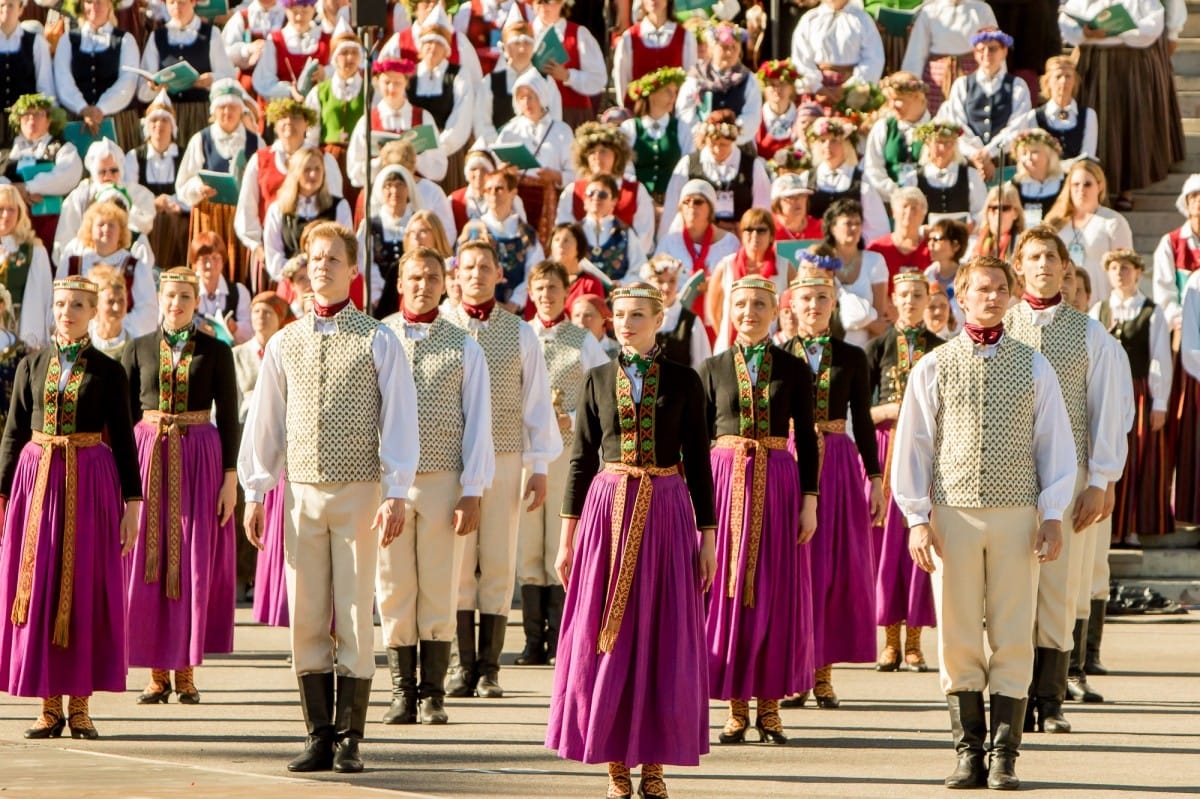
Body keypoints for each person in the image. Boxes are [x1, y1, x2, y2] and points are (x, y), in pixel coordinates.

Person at [239, 221, 420, 774]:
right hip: (301, 495)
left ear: (353, 271)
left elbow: (399, 420)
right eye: (314, 258)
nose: (322, 266)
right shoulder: (286, 342)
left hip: (361, 492)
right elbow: (265, 422)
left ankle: (350, 739)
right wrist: (256, 490)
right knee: (308, 617)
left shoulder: (378, 337)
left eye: (333, 259)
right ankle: (318, 734)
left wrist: (396, 491)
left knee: (354, 613)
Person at [891, 254, 1076, 790]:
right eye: (980, 288)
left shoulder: (1033, 363)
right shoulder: (935, 364)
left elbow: (1054, 446)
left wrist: (1054, 514)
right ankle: (968, 750)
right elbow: (915, 446)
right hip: (953, 514)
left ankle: (1005, 754)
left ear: (1010, 295)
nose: (991, 297)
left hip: (1018, 513)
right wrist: (916, 519)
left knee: (1015, 630)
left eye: (1000, 288)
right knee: (957, 632)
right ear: (960, 296)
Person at [546, 283, 716, 799]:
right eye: (619, 315)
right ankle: (615, 760)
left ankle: (656, 764)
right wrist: (566, 537)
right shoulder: (596, 379)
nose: (626, 323)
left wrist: (707, 538)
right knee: (607, 634)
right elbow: (580, 460)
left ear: (658, 319)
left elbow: (700, 466)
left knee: (660, 633)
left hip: (665, 510)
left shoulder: (685, 381)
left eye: (637, 315)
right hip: (607, 511)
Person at [0, 276, 141, 740]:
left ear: (93, 311)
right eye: (61, 303)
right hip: (37, 485)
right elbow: (14, 434)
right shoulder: (31, 365)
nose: (67, 311)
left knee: (83, 588)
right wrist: (2, 494)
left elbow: (123, 441)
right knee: (39, 588)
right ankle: (48, 706)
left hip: (90, 484)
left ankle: (80, 706)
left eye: (78, 305)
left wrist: (133, 505)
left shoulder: (108, 370)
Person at [1005, 227, 1127, 735]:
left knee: (1059, 585)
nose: (1043, 266)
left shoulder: (1089, 332)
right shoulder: (1001, 326)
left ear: (1064, 267)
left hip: (1071, 470)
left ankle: (1050, 699)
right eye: (1033, 257)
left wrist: (1101, 479)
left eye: (1051, 257)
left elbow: (1107, 410)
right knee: (1011, 589)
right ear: (1020, 266)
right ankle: (1011, 697)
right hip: (1007, 475)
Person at [377, 246, 494, 724]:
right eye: (413, 277)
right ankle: (402, 691)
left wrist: (473, 488)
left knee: (441, 585)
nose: (422, 285)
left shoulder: (464, 343)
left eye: (430, 277)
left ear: (445, 283)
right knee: (393, 585)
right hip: (389, 486)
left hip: (444, 477)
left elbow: (478, 421)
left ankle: (433, 693)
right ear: (400, 282)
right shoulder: (379, 336)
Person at [701, 275, 819, 745]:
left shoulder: (793, 368)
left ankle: (770, 707)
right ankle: (734, 707)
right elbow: (696, 440)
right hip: (725, 483)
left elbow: (807, 439)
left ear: (775, 312)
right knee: (728, 591)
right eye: (741, 304)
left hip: (779, 485)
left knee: (774, 590)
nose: (749, 312)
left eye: (758, 305)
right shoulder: (710, 368)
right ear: (729, 310)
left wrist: (809, 501)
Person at [443, 239, 560, 699]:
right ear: (457, 275)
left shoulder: (520, 332)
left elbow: (536, 403)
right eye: (468, 267)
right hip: (451, 461)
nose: (476, 274)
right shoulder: (444, 327)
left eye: (484, 267)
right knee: (456, 562)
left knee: (496, 560)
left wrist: (540, 465)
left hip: (506, 455)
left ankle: (489, 668)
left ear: (498, 274)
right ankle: (458, 662)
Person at [122, 268, 240, 708]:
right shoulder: (138, 349)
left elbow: (228, 416)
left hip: (199, 461)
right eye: (170, 296)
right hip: (149, 457)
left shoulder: (215, 351)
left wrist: (230, 478)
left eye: (185, 296)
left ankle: (186, 672)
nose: (177, 303)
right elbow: (125, 414)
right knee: (150, 561)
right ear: (160, 298)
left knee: (191, 561)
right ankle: (156, 674)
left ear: (197, 301)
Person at [780, 259, 884, 709]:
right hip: (789, 460)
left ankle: (822, 674)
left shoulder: (852, 357)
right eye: (807, 297)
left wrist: (875, 478)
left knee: (828, 571)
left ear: (834, 302)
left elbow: (863, 420)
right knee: (794, 568)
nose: (815, 305)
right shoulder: (779, 354)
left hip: (839, 461)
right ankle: (796, 670)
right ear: (793, 304)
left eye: (823, 297)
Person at [515, 259, 608, 667]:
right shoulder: (521, 336)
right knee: (527, 547)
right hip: (525, 452)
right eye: (540, 288)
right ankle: (533, 641)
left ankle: (561, 638)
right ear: (531, 293)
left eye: (554, 288)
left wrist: (573, 414)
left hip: (567, 454)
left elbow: (604, 391)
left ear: (565, 292)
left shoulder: (581, 339)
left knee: (559, 543)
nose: (547, 296)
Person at [865, 273, 942, 673]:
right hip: (885, 451)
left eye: (918, 294)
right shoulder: (877, 349)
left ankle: (915, 641)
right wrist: (888, 412)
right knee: (885, 549)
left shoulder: (941, 350)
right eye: (904, 295)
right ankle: (890, 641)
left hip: (925, 452)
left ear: (928, 299)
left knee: (919, 544)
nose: (910, 301)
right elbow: (858, 412)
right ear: (892, 300)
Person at [1060, 0, 1183, 210]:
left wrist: (1116, 32)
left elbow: (1154, 24)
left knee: (1129, 123)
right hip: (1093, 63)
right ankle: (1094, 186)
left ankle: (1126, 187)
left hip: (1131, 64)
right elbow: (1066, 19)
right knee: (1096, 125)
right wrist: (1085, 33)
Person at [1093, 250, 1173, 546]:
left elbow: (1160, 358)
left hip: (1138, 392)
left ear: (1138, 273)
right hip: (1106, 392)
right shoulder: (1099, 310)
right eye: (1113, 267)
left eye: (1125, 268)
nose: (1119, 273)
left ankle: (1132, 527)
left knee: (1136, 457)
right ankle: (1109, 527)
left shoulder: (1152, 311)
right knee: (1106, 453)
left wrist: (1159, 402)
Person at [234, 292, 292, 628]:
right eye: (255, 311)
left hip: (279, 441)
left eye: (268, 312)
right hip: (246, 434)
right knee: (251, 509)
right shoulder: (239, 355)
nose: (260, 317)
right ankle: (245, 578)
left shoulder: (285, 346)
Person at [177, 79, 263, 288]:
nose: (227, 113)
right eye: (222, 107)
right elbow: (182, 185)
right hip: (210, 215)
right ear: (214, 111)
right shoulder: (201, 139)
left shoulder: (256, 141)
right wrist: (199, 188)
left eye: (232, 107)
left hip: (242, 214)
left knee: (238, 269)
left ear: (241, 110)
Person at [1152, 175, 1200, 524]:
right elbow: (1164, 292)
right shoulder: (1171, 243)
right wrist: (1182, 322)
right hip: (1185, 340)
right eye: (1196, 197)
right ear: (1186, 202)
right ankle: (1184, 506)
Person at [135, 0, 237, 145]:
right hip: (169, 115)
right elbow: (143, 89)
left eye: (181, 2)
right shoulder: (157, 37)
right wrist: (153, 87)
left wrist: (211, 79)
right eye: (171, 2)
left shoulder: (210, 34)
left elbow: (229, 76)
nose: (176, 6)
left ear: (193, 2)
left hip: (201, 112)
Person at [936, 30, 1032, 183]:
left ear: (1004, 52)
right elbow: (957, 124)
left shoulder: (1017, 86)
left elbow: (1018, 126)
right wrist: (977, 155)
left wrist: (990, 153)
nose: (987, 53)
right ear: (975, 53)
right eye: (981, 49)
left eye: (993, 49)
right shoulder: (962, 85)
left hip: (1004, 162)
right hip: (969, 162)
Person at [58, 199, 158, 338]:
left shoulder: (135, 266)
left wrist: (112, 326)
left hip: (122, 344)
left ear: (121, 231)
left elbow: (148, 311)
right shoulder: (72, 263)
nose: (106, 229)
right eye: (100, 225)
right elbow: (57, 303)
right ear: (90, 229)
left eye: (112, 225)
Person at [345, 58, 448, 191]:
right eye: (386, 82)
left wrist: (411, 158)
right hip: (379, 193)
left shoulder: (423, 117)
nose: (391, 88)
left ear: (406, 83)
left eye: (397, 83)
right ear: (377, 83)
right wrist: (381, 160)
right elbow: (354, 173)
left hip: (414, 192)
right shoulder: (367, 121)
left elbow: (439, 169)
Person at [662, 111, 771, 234]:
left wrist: (744, 228)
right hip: (699, 238)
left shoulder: (752, 166)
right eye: (712, 143)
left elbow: (762, 208)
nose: (717, 149)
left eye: (724, 145)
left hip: (740, 238)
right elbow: (672, 208)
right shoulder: (688, 163)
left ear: (733, 141)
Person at [52, 0, 142, 150]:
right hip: (78, 118)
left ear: (109, 5)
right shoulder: (68, 40)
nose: (94, 6)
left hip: (117, 119)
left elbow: (128, 81)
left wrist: (101, 108)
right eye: (89, 2)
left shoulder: (125, 40)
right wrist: (83, 108)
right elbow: (63, 79)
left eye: (99, 1)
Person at [556, 122, 655, 256]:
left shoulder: (635, 191)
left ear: (617, 156)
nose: (597, 157)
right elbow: (564, 232)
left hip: (624, 267)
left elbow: (644, 236)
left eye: (603, 151)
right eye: (592, 153)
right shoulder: (572, 191)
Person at [1043, 159, 1133, 304]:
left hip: (1100, 303)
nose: (1081, 189)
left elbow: (1126, 269)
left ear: (1100, 186)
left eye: (1087, 184)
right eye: (1076, 185)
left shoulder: (1113, 221)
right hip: (1062, 303)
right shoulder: (1056, 223)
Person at [3, 94, 85, 253]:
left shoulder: (62, 148)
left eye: (38, 114)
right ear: (18, 120)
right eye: (26, 114)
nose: (31, 118)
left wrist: (29, 187)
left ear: (49, 120)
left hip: (49, 224)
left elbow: (68, 175)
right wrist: (13, 190)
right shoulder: (5, 151)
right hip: (10, 226)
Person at [654, 181, 740, 329]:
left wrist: (716, 283)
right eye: (686, 202)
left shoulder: (730, 243)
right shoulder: (669, 241)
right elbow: (654, 279)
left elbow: (738, 279)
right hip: (677, 322)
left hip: (718, 319)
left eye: (698, 201)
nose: (691, 206)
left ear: (711, 208)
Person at [262, 145, 353, 284]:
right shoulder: (278, 209)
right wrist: (294, 275)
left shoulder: (340, 206)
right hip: (291, 285)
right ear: (295, 173)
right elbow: (273, 254)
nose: (313, 175)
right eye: (307, 170)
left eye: (318, 169)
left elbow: (346, 249)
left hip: (328, 283)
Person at [707, 208, 794, 353]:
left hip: (772, 349)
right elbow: (714, 311)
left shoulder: (785, 268)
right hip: (729, 348)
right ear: (741, 234)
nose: (754, 235)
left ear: (772, 235)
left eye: (761, 230)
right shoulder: (725, 265)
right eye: (749, 230)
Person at [405, 14, 474, 193]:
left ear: (447, 49)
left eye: (438, 43)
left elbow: (461, 117)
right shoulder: (409, 76)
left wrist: (437, 150)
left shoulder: (458, 74)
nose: (432, 48)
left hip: (447, 152)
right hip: (414, 152)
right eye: (428, 43)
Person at [472, 12, 563, 143]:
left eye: (527, 42)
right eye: (516, 43)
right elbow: (481, 122)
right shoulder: (490, 82)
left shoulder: (546, 81)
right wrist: (501, 148)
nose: (522, 48)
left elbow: (554, 118)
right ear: (504, 47)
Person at [806, 116, 889, 245]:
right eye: (822, 141)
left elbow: (878, 229)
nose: (827, 146)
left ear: (846, 145)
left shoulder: (861, 182)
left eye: (834, 141)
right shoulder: (807, 179)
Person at [900, 0, 995, 112]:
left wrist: (997, 79)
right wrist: (909, 86)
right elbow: (917, 51)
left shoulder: (982, 9)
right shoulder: (930, 11)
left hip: (972, 74)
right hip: (937, 77)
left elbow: (995, 47)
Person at [821, 198, 891, 348]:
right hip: (827, 347)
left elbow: (880, 321)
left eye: (857, 223)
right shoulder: (821, 262)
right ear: (832, 227)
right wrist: (864, 320)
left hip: (866, 349)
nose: (854, 228)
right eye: (848, 223)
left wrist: (857, 320)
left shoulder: (875, 261)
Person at [789, 0, 884, 109]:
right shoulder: (810, 19)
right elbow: (800, 58)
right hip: (817, 90)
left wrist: (850, 86)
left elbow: (873, 58)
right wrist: (817, 87)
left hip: (853, 91)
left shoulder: (862, 19)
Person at [677, 22, 761, 145]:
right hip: (703, 144)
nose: (729, 53)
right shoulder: (697, 76)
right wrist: (703, 132)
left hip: (737, 146)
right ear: (712, 48)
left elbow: (752, 115)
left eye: (734, 48)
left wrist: (728, 133)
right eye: (724, 47)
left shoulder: (747, 79)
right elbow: (684, 112)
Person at [620, 66, 692, 204]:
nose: (673, 97)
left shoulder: (681, 127)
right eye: (667, 91)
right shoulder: (629, 128)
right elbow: (625, 169)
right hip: (637, 201)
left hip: (672, 200)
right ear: (651, 94)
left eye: (675, 92)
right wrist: (643, 200)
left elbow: (688, 164)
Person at [528, 0, 606, 128]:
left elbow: (598, 79)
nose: (543, 6)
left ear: (561, 3)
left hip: (571, 113)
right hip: (531, 115)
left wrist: (568, 76)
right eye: (538, 1)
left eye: (548, 1)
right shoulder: (524, 33)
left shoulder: (579, 34)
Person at [477, 169, 543, 309]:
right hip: (481, 307)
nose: (493, 193)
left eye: (499, 188)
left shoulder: (526, 233)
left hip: (516, 311)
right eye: (488, 189)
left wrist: (514, 303)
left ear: (513, 192)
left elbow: (535, 271)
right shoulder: (474, 229)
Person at [862, 73, 932, 204]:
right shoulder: (884, 127)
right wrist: (896, 193)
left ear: (918, 97)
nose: (892, 106)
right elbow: (873, 168)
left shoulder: (934, 128)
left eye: (898, 100)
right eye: (890, 100)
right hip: (888, 205)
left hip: (925, 204)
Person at [611, 0, 697, 106]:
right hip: (639, 112)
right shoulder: (630, 37)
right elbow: (622, 77)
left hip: (674, 113)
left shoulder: (685, 37)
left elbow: (690, 78)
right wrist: (625, 107)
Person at [0, 183, 53, 349]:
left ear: (20, 213)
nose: (6, 215)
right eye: (0, 208)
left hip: (20, 337)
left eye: (12, 209)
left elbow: (44, 299)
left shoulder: (34, 251)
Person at [251, 0, 331, 102]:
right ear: (285, 10)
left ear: (314, 9)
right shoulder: (275, 40)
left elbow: (340, 72)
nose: (299, 17)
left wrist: (325, 73)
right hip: (284, 109)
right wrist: (288, 91)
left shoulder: (326, 39)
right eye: (294, 12)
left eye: (304, 11)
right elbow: (263, 81)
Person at [575, 173, 648, 284]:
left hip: (616, 298)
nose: (595, 198)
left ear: (614, 201)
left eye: (602, 194)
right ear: (584, 199)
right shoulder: (573, 232)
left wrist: (622, 284)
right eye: (590, 193)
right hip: (581, 296)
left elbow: (640, 269)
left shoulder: (625, 233)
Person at [0, 0, 55, 149]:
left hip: (26, 125)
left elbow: (46, 87)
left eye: (10, 5)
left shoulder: (36, 43)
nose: (5, 10)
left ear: (21, 10)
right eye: (1, 5)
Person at [1024, 56, 1097, 162]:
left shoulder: (1089, 115)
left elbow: (1088, 156)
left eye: (1068, 76)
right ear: (1048, 81)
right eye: (1058, 77)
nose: (1063, 81)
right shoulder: (1034, 117)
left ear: (1075, 81)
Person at [912, 121, 987, 224]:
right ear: (928, 144)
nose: (943, 148)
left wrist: (972, 224)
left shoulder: (971, 175)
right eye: (938, 142)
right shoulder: (914, 178)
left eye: (948, 143)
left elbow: (981, 211)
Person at [644, 255, 711, 369]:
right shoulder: (640, 318)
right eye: (660, 281)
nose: (666, 287)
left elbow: (702, 366)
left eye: (672, 281)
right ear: (648, 283)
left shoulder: (691, 322)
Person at [191, 231, 252, 345]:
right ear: (194, 262)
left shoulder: (239, 291)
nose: (210, 265)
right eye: (204, 259)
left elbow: (250, 331)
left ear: (223, 260)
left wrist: (235, 328)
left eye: (215, 258)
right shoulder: (188, 291)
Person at [867, 187, 931, 281]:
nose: (909, 212)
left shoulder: (932, 247)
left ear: (923, 214)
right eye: (904, 206)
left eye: (914, 208)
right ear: (893, 212)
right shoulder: (877, 248)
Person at [1010, 128, 1065, 229]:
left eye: (1034, 152)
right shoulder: (1015, 185)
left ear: (1049, 155)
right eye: (1024, 153)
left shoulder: (1064, 182)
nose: (1029, 158)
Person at [752, 59, 803, 160]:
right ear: (764, 89)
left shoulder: (801, 117)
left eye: (783, 84)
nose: (777, 89)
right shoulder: (755, 117)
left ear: (792, 88)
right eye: (772, 85)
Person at [86, 263, 133, 359]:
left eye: (121, 301)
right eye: (110, 302)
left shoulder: (134, 343)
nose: (117, 307)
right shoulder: (83, 340)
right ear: (96, 303)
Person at [971, 183, 1025, 261]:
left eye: (1005, 208)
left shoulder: (1022, 244)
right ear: (987, 212)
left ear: (1016, 213)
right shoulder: (973, 243)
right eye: (993, 208)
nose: (998, 212)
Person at [770, 173, 823, 242]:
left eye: (801, 195)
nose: (798, 200)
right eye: (791, 197)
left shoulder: (820, 227)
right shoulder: (768, 228)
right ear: (777, 203)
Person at [569, 292, 618, 359]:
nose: (581, 321)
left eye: (587, 315)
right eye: (576, 316)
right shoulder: (564, 350)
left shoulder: (619, 352)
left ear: (603, 318)